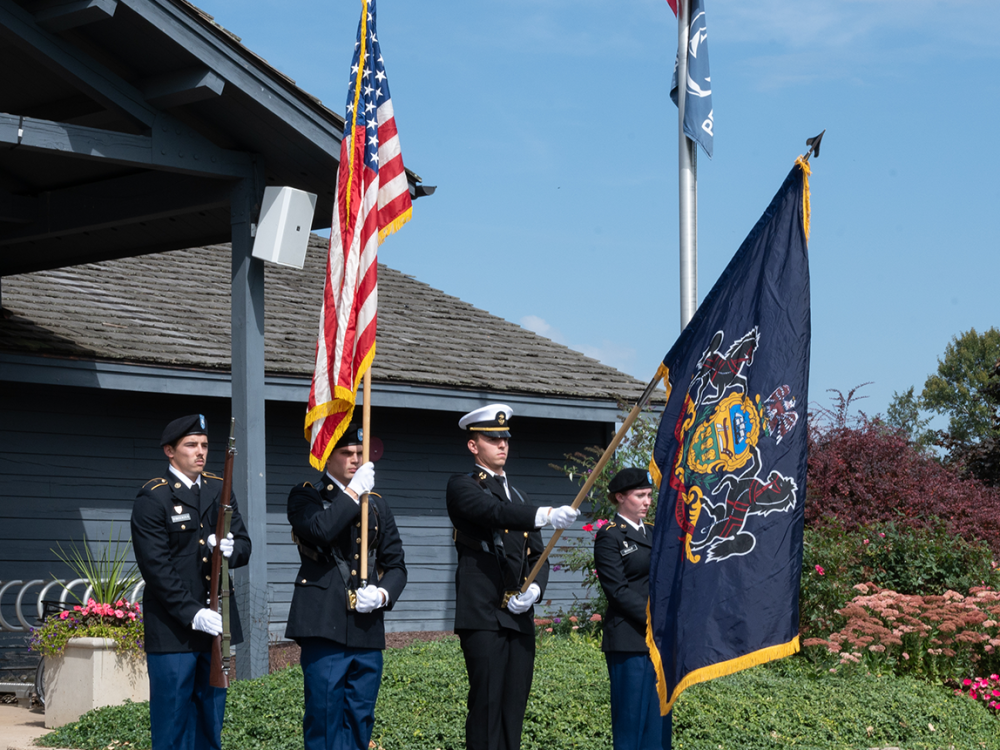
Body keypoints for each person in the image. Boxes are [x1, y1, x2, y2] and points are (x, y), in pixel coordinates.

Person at [446, 404, 580, 750]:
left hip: (517, 615)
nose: (502, 445)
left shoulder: (519, 496)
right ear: (473, 446)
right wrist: (545, 514)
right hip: (483, 612)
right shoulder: (462, 486)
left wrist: (534, 589)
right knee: (487, 706)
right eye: (492, 439)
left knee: (513, 707)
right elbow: (493, 512)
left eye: (505, 439)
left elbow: (539, 555)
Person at [131, 414, 252, 750]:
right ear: (170, 451)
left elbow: (244, 544)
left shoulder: (218, 488)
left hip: (216, 626)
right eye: (191, 445)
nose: (200, 452)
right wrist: (192, 612)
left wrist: (231, 548)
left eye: (204, 445)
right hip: (174, 630)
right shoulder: (153, 498)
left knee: (210, 723)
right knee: (171, 725)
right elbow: (156, 568)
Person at [284, 423, 407, 750]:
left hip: (366, 627)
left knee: (361, 717)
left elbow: (396, 565)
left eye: (360, 454)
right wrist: (353, 493)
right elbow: (320, 529)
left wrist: (382, 594)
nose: (355, 459)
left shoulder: (377, 504)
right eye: (347, 453)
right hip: (324, 625)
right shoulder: (306, 495)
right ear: (328, 456)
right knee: (324, 719)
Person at [593, 467, 667, 750]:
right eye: (640, 496)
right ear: (620, 497)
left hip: (658, 642)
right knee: (630, 725)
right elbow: (618, 591)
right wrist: (656, 617)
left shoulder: (654, 532)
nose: (647, 502)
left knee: (658, 725)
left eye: (649, 495)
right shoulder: (609, 536)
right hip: (630, 640)